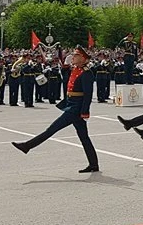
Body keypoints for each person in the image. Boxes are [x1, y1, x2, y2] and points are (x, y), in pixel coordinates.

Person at [11, 46, 99, 174]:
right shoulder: (76, 70)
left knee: (52, 129)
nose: (73, 57)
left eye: (76, 55)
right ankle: (94, 164)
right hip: (71, 104)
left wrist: (85, 111)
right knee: (84, 137)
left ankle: (27, 145)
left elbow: (88, 94)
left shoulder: (87, 73)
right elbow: (67, 82)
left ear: (83, 59)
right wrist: (64, 69)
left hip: (75, 109)